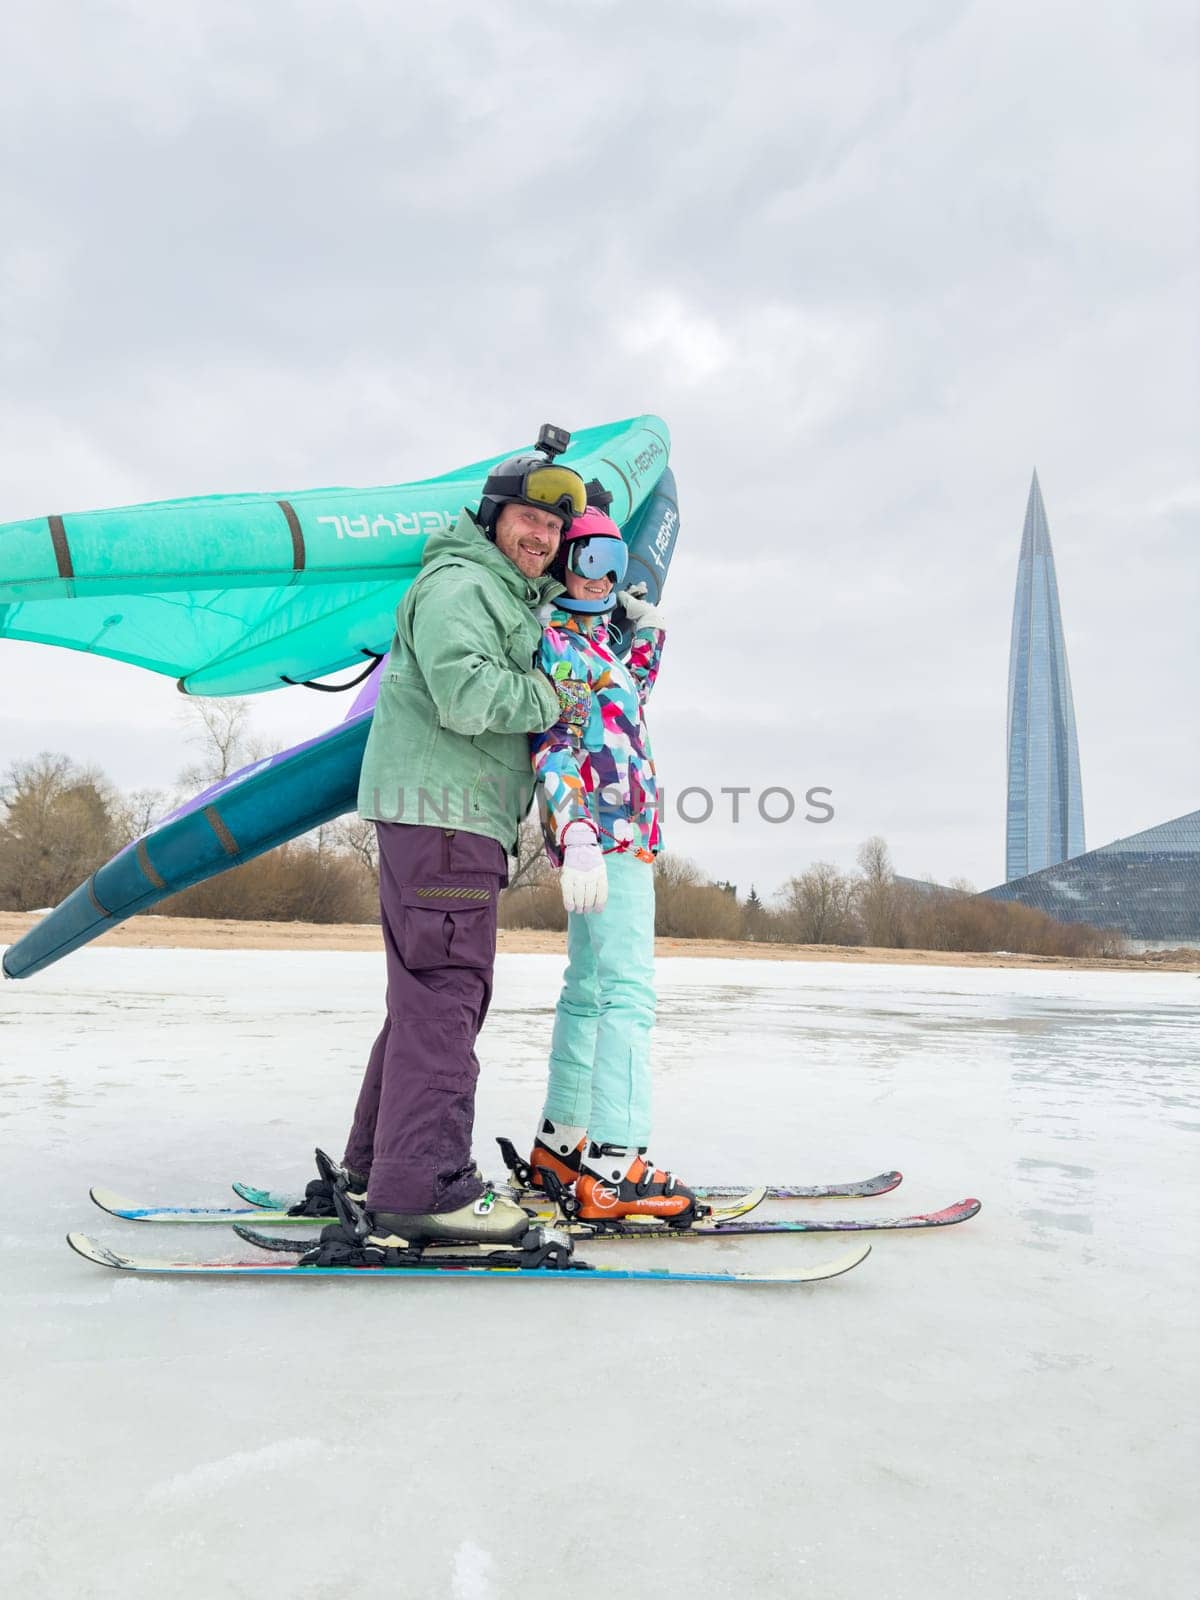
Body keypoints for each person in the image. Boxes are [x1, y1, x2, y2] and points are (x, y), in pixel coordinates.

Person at [340, 431, 590, 1244]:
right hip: (445, 815)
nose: (543, 539)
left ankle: (374, 1167)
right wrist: (553, 698)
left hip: (445, 817)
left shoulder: (498, 592)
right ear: (493, 518)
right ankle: (426, 1186)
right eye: (529, 519)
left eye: (555, 531)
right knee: (448, 995)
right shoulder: (462, 585)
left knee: (423, 1000)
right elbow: (465, 693)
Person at [523, 497, 699, 1223]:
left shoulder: (596, 644)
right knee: (628, 993)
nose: (602, 578)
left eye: (615, 564)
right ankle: (616, 1165)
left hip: (617, 838)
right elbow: (555, 739)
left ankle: (563, 1145)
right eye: (590, 560)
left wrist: (648, 632)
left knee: (589, 989)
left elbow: (627, 700)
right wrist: (577, 833)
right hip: (608, 838)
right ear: (564, 561)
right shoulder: (558, 643)